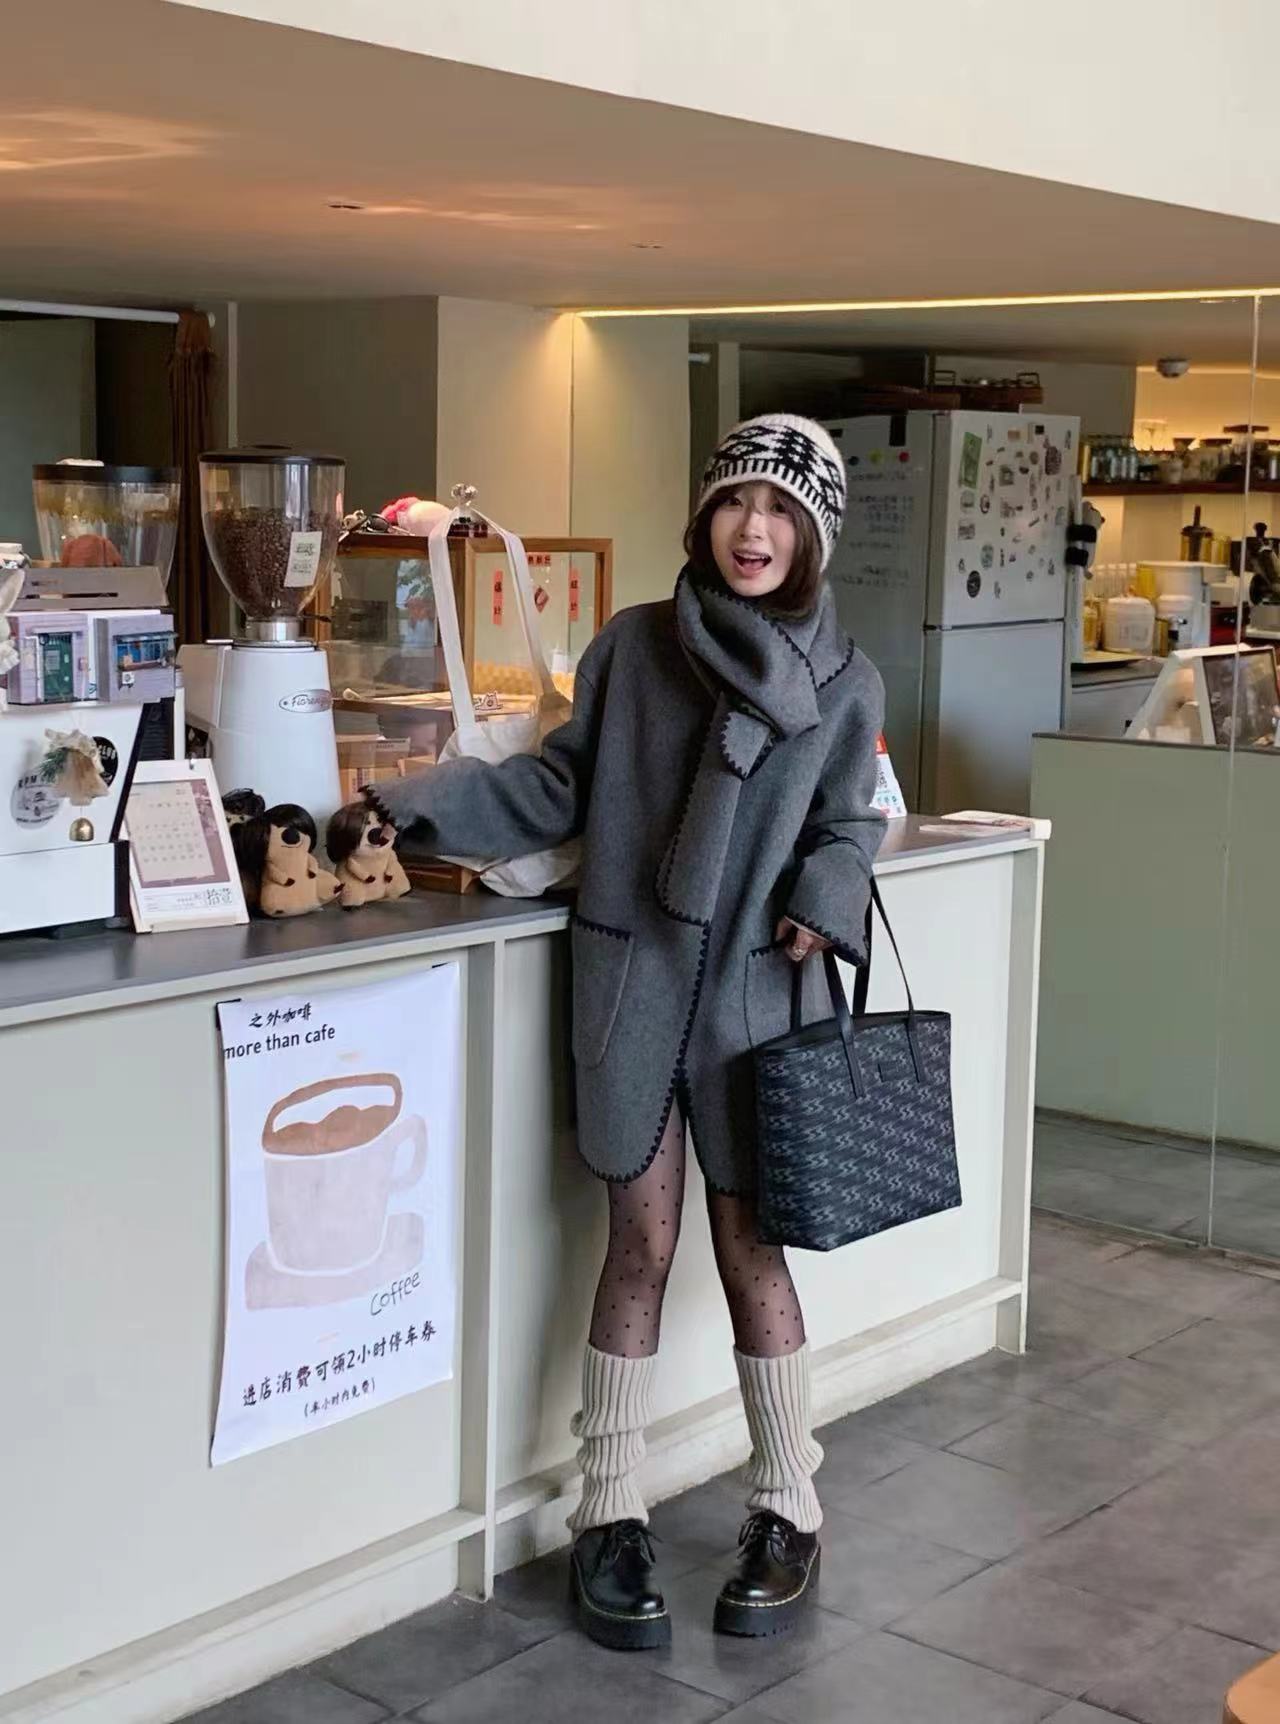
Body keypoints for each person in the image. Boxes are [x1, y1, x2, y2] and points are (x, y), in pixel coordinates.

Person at [365, 415, 886, 1650]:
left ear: (812, 533)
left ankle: (788, 1502)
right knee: (637, 1241)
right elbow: (560, 784)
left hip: (757, 997)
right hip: (631, 980)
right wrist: (406, 805)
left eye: (781, 509)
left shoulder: (844, 675)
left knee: (751, 1247)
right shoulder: (633, 647)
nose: (752, 527)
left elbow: (848, 820)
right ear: (703, 515)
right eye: (736, 501)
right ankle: (608, 1509)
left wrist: (824, 893)